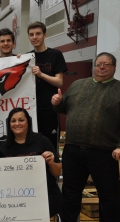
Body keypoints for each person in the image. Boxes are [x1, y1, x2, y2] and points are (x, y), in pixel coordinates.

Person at [43, 52, 120, 222]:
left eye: (106, 65)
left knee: (109, 194)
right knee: (69, 192)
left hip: (105, 151)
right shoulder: (78, 85)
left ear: (114, 68)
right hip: (74, 149)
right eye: (99, 64)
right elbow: (63, 108)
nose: (102, 67)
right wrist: (57, 104)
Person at [0, 108, 62, 222]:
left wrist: (51, 162)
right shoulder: (3, 146)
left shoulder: (42, 141)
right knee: (5, 211)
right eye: (13, 120)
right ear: (9, 124)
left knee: (29, 212)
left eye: (21, 120)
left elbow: (57, 171)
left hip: (45, 195)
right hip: (13, 196)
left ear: (28, 122)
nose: (17, 123)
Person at [27, 21, 68, 150]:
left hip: (49, 109)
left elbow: (59, 82)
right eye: (31, 34)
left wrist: (41, 75)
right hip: (31, 109)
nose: (35, 37)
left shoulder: (55, 55)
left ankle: (51, 170)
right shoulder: (26, 57)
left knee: (49, 147)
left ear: (45, 35)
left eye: (38, 33)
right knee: (32, 145)